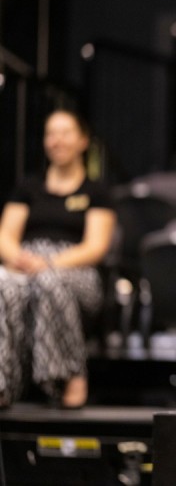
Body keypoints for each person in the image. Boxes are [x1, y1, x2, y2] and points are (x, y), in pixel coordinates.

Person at [0, 109, 116, 408]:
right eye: (51, 133)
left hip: (75, 270)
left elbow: (95, 246)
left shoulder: (96, 191)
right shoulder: (28, 187)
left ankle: (72, 375)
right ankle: (5, 384)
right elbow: (5, 236)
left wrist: (49, 264)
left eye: (64, 133)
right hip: (26, 264)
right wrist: (22, 259)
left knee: (49, 281)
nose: (56, 140)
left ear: (82, 141)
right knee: (2, 283)